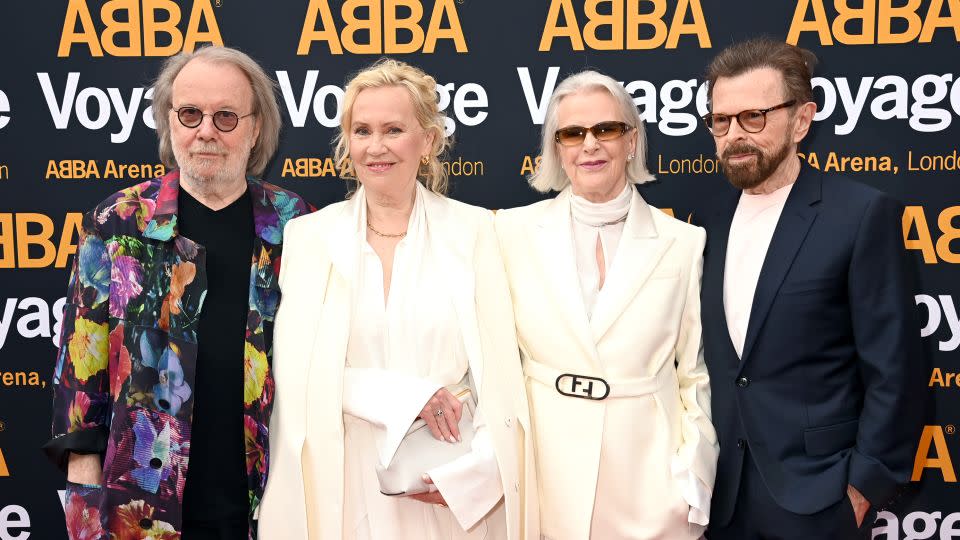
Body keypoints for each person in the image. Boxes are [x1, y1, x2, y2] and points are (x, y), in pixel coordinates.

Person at [258, 59, 538, 540]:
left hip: (445, 484)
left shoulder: (477, 231)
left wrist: (474, 476)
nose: (376, 146)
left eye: (394, 129)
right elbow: (297, 373)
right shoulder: (308, 237)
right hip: (341, 486)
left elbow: (501, 376)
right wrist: (407, 397)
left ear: (427, 140)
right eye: (362, 130)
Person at [43, 46, 313, 539]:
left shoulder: (296, 226)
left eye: (226, 117)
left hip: (271, 504)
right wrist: (84, 508)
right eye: (190, 113)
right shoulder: (118, 222)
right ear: (170, 122)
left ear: (256, 129)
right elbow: (81, 377)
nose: (205, 130)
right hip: (140, 510)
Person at [698, 38, 925, 539]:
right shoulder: (706, 220)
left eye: (753, 117)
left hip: (818, 498)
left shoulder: (860, 215)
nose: (734, 135)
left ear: (801, 120)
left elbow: (896, 369)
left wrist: (861, 488)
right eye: (721, 120)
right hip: (720, 497)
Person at [495, 70, 718, 540]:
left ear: (631, 140)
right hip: (542, 477)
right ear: (557, 148)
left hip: (649, 483)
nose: (589, 145)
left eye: (606, 129)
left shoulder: (682, 242)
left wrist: (692, 484)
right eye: (572, 133)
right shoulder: (509, 233)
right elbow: (493, 362)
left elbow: (694, 373)